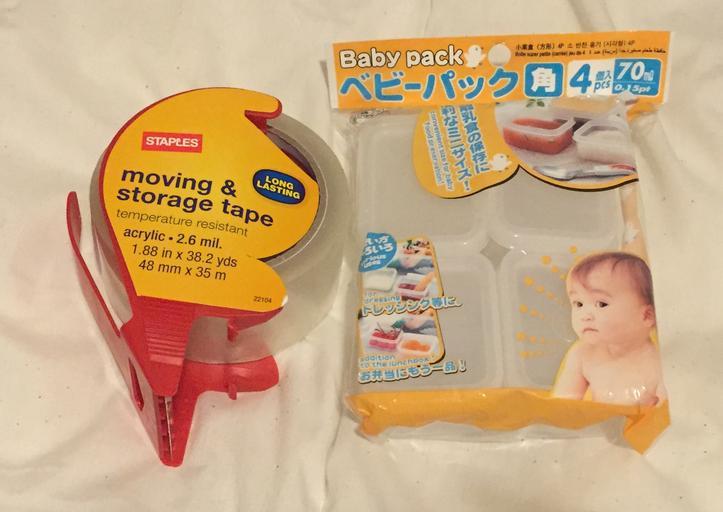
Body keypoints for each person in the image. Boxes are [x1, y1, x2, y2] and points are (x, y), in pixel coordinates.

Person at [552, 252, 667, 406]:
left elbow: (668, 416)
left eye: (601, 304)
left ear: (647, 316)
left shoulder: (660, 366)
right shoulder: (583, 354)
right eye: (578, 304)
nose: (585, 316)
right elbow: (562, 406)